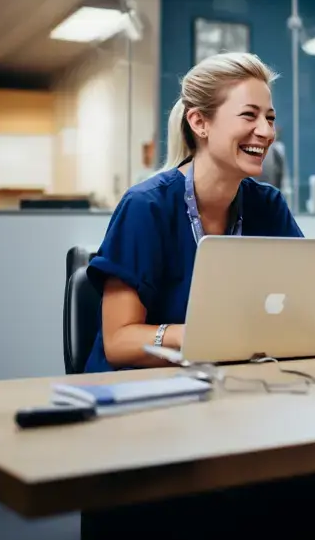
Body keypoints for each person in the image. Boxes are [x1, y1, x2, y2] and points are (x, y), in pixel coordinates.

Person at [84, 52, 302, 372]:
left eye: (269, 118)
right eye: (249, 115)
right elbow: (118, 342)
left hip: (229, 381)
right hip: (139, 392)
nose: (266, 132)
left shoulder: (268, 206)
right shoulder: (146, 207)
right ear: (199, 122)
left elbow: (302, 307)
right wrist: (199, 337)